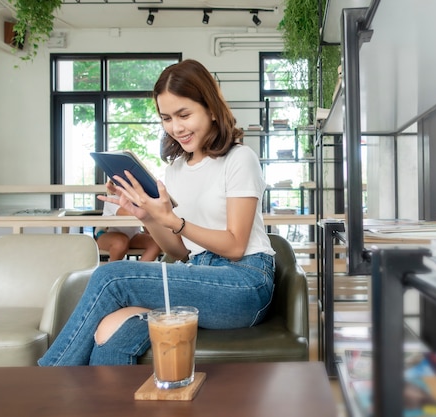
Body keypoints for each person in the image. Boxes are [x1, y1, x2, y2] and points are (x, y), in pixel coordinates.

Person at [38, 59, 275, 366]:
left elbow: (235, 246)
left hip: (244, 281)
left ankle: (44, 380)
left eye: (184, 114)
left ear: (212, 109)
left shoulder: (240, 158)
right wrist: (147, 216)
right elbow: (179, 251)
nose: (176, 127)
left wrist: (174, 220)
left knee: (111, 277)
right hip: (197, 274)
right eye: (166, 118)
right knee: (112, 336)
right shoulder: (175, 170)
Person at [95, 189, 162, 262]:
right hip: (106, 235)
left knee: (156, 243)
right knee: (121, 242)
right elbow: (129, 213)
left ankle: (136, 271)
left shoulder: (138, 199)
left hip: (132, 236)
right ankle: (113, 271)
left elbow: (147, 228)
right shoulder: (112, 198)